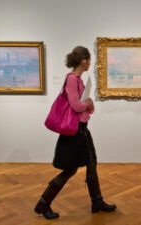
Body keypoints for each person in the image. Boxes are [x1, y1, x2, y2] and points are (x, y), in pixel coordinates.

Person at [34, 46, 116, 220]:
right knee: (70, 170)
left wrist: (89, 105)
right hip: (74, 133)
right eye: (89, 60)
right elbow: (76, 106)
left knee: (92, 165)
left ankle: (97, 201)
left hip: (82, 130)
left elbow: (85, 109)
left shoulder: (78, 80)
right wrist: (87, 104)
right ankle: (43, 203)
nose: (90, 63)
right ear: (83, 61)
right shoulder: (72, 79)